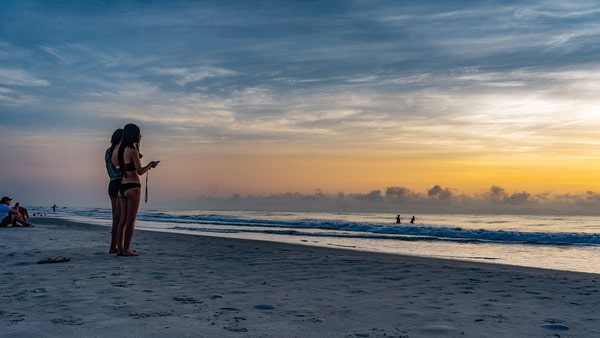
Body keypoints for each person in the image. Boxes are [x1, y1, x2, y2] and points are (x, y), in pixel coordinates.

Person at [116, 123, 159, 256]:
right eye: (139, 134)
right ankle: (126, 249)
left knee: (122, 220)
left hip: (122, 187)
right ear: (133, 135)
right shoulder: (133, 151)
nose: (140, 136)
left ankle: (120, 249)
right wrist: (150, 165)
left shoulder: (121, 150)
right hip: (133, 186)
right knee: (131, 221)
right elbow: (140, 171)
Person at [106, 128, 123, 254]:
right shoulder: (119, 151)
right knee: (120, 218)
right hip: (119, 183)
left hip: (111, 183)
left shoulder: (108, 151)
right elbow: (119, 168)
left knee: (115, 218)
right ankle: (116, 246)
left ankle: (113, 245)